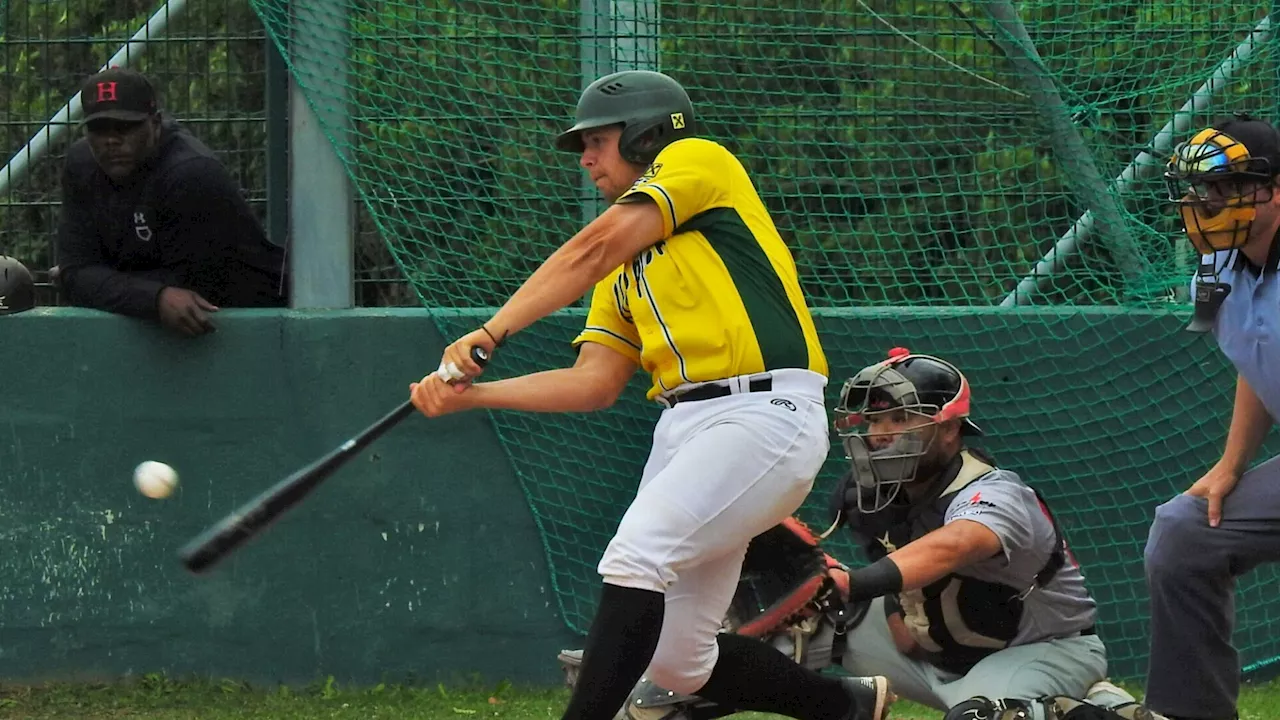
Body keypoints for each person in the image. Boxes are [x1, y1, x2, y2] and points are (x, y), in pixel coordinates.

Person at [409, 70, 892, 720]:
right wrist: (474, 396)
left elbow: (593, 245)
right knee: (677, 661)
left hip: (763, 412)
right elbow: (594, 383)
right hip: (687, 430)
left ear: (646, 132)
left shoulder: (696, 159)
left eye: (596, 141)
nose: (584, 158)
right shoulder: (622, 270)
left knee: (635, 555)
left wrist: (494, 330)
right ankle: (843, 706)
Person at [558, 349, 1162, 720]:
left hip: (1031, 651)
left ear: (952, 430)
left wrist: (859, 582)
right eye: (874, 418)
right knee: (767, 641)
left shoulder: (994, 491)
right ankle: (823, 706)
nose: (881, 433)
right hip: (918, 651)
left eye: (902, 417)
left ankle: (1098, 709)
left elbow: (955, 545)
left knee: (983, 718)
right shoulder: (862, 491)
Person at [1144, 113, 1280, 720]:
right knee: (1184, 533)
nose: (1207, 203)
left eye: (1227, 186)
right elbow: (1258, 357)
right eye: (1199, 190)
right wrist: (1231, 465)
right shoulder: (1218, 265)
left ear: (1275, 188)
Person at [54, 66, 288, 337]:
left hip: (263, 322)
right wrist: (154, 296)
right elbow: (75, 271)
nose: (111, 140)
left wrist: (99, 284)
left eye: (126, 126)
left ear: (155, 123)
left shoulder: (190, 172)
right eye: (98, 128)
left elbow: (196, 285)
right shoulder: (82, 164)